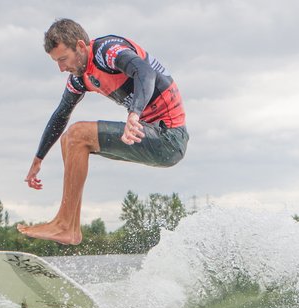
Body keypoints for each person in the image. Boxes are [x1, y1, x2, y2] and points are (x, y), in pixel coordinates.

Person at [16, 18, 188, 245]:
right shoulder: (80, 77)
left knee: (78, 135)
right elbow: (60, 115)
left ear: (80, 46)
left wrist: (134, 114)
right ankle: (71, 229)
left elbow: (145, 72)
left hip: (168, 137)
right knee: (69, 139)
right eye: (56, 62)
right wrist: (38, 159)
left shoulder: (108, 52)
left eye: (63, 59)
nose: (61, 68)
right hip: (147, 131)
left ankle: (64, 225)